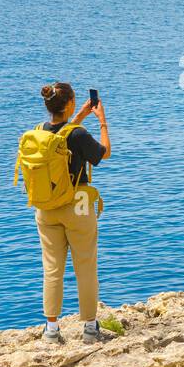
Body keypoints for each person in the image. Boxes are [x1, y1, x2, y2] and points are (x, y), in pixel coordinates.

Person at [32, 81, 111, 343]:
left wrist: (79, 116)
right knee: (85, 267)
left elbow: (61, 136)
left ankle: (51, 330)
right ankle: (89, 329)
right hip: (76, 206)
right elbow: (104, 153)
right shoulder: (78, 135)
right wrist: (102, 121)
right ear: (69, 104)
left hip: (46, 207)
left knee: (52, 269)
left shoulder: (40, 132)